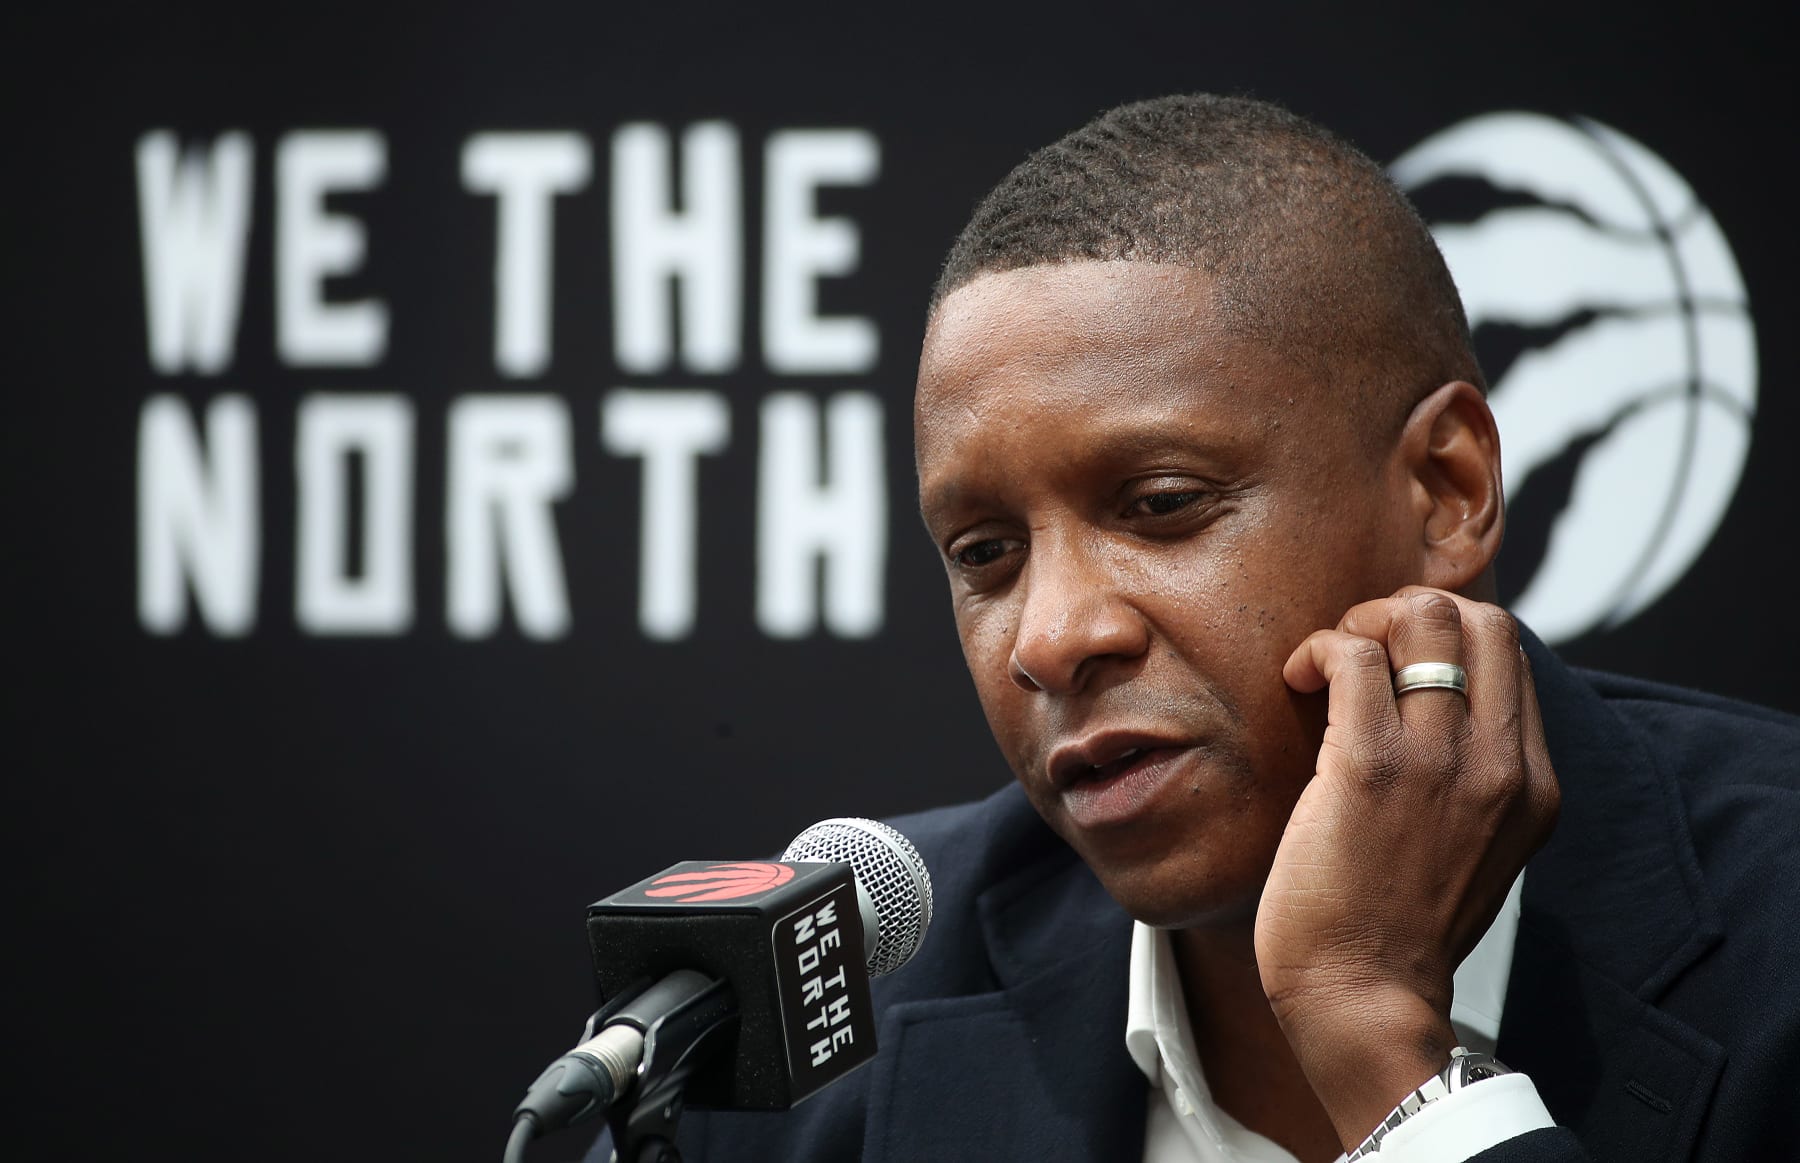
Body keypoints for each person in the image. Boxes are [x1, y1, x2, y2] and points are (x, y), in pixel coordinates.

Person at [599, 94, 1800, 1161]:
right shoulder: (815, 1027)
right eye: (985, 554)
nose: (1053, 637)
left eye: (1163, 505)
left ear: (1446, 487)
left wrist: (1383, 1044)